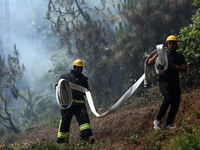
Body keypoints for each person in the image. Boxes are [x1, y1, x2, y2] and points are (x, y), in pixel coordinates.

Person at [146, 35, 187, 130]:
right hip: (164, 81)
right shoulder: (162, 54)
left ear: (176, 45)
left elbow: (185, 70)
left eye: (174, 43)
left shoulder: (180, 57)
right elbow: (148, 63)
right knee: (168, 98)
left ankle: (168, 124)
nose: (172, 45)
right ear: (167, 45)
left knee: (176, 102)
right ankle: (158, 120)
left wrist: (176, 66)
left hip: (175, 82)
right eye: (170, 43)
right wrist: (157, 54)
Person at [55, 59, 94, 143]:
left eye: (81, 68)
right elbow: (57, 87)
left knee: (84, 122)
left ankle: (86, 139)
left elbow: (85, 90)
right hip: (67, 104)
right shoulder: (65, 77)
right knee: (65, 122)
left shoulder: (83, 79)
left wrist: (87, 92)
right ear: (74, 67)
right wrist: (62, 92)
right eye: (78, 68)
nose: (80, 70)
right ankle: (62, 141)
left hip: (80, 105)